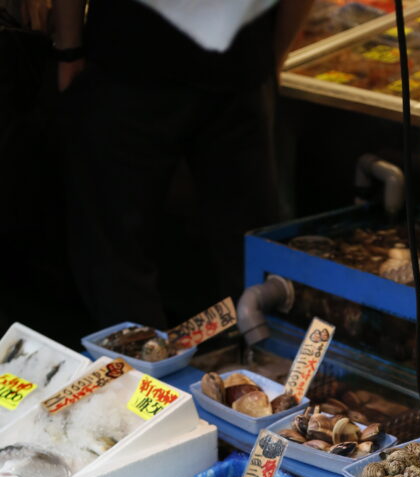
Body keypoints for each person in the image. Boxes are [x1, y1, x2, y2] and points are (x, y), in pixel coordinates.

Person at [53, 0, 313, 330]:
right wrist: (272, 58)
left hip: (129, 59)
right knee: (247, 250)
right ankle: (256, 364)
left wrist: (68, 49)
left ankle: (141, 373)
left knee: (117, 256)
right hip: (235, 64)